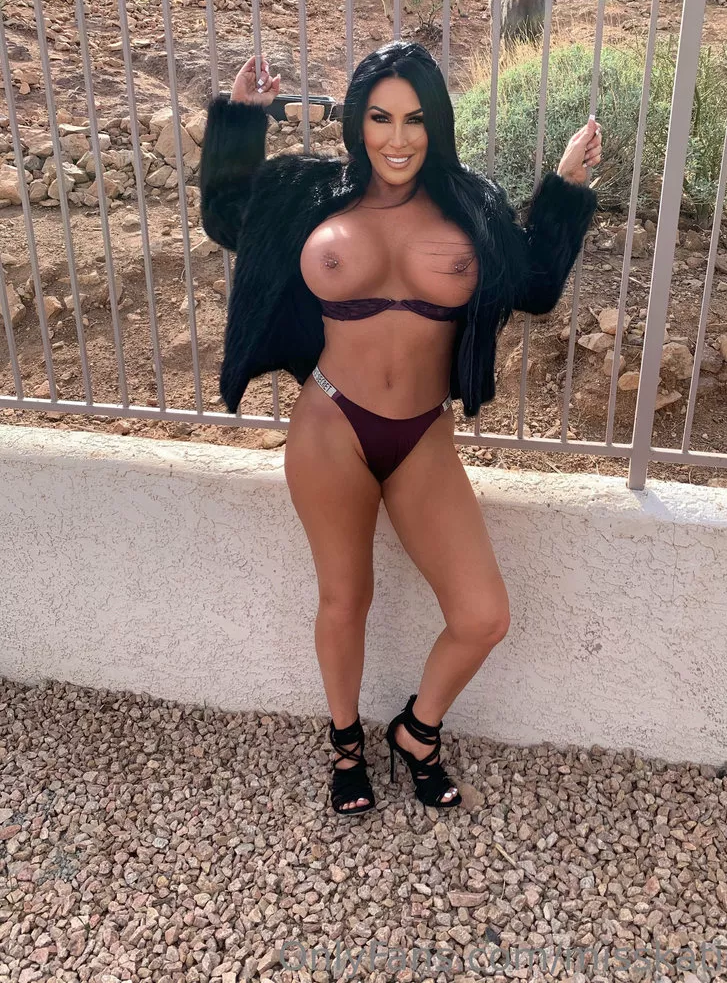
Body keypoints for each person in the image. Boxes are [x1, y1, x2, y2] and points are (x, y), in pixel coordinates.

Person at [200, 40, 602, 816]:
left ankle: (417, 731)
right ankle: (345, 744)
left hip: (422, 435)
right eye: (380, 117)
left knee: (483, 615)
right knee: (344, 599)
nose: (397, 137)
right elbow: (226, 219)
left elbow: (534, 285)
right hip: (331, 425)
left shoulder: (471, 202)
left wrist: (564, 188)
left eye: (414, 119)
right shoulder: (308, 191)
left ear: (435, 124)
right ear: (357, 122)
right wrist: (241, 123)